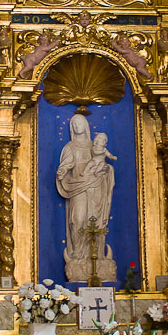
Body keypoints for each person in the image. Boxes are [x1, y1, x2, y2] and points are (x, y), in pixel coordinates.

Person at [55, 114, 116, 282]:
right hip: (78, 188)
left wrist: (106, 171)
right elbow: (66, 166)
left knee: (94, 221)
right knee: (78, 219)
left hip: (96, 189)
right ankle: (77, 255)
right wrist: (61, 172)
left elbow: (106, 165)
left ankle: (96, 258)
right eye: (73, 123)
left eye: (79, 122)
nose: (76, 126)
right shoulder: (70, 147)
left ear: (86, 125)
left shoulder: (95, 145)